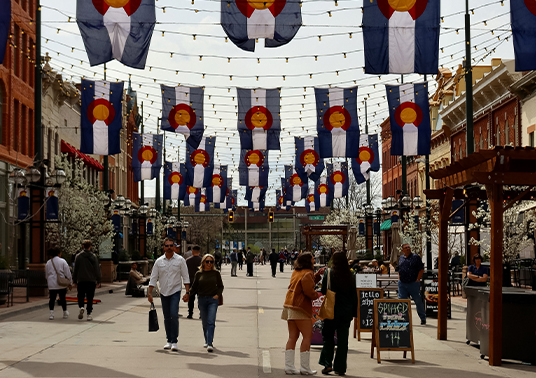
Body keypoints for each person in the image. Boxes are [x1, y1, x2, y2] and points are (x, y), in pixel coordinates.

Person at [318, 252, 357, 376]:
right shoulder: (351, 274)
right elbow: (354, 295)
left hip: (331, 309)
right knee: (343, 340)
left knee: (328, 337)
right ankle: (340, 367)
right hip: (346, 311)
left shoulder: (328, 273)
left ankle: (327, 363)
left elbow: (324, 290)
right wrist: (354, 313)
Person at [148, 237, 190, 352]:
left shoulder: (180, 260)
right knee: (167, 317)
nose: (169, 248)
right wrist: (149, 293)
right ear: (164, 247)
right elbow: (153, 278)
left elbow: (186, 277)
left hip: (175, 291)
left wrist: (187, 292)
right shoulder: (159, 261)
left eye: (171, 245)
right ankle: (169, 340)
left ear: (174, 247)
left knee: (174, 314)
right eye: (167, 245)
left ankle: (174, 341)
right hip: (163, 292)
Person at [282, 252, 319, 375]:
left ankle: (289, 366)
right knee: (307, 337)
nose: (314, 260)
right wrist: (316, 294)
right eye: (313, 258)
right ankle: (305, 367)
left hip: (290, 305)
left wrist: (317, 275)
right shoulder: (308, 273)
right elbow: (309, 291)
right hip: (301, 308)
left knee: (293, 337)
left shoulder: (296, 272)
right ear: (308, 261)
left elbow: (305, 283)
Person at [188, 254, 224, 352]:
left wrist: (218, 294)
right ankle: (207, 339)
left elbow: (220, 286)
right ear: (203, 262)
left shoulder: (216, 273)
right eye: (207, 261)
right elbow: (194, 287)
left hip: (213, 300)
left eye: (211, 262)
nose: (209, 264)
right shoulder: (198, 274)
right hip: (202, 299)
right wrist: (188, 294)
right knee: (204, 322)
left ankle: (210, 343)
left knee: (211, 321)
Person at [398, 243, 426, 325]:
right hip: (402, 284)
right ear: (403, 250)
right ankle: (403, 318)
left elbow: (421, 269)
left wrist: (418, 279)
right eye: (406, 248)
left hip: (413, 283)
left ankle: (423, 318)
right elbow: (399, 269)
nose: (408, 249)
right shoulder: (401, 258)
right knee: (402, 301)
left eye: (409, 247)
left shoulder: (415, 257)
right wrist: (399, 278)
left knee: (418, 301)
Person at [73, 240, 101, 321]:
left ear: (83, 246)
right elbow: (97, 269)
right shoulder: (93, 257)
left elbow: (76, 269)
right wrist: (98, 280)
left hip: (81, 280)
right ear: (90, 246)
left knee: (80, 295)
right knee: (90, 297)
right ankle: (89, 314)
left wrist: (74, 280)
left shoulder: (78, 256)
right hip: (91, 280)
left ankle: (81, 306)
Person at [45, 248, 72, 320]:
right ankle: (65, 312)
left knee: (52, 298)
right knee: (62, 298)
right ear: (58, 254)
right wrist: (70, 282)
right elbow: (67, 272)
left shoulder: (48, 262)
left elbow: (47, 274)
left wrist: (49, 282)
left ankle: (51, 313)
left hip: (51, 284)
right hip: (61, 283)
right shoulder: (62, 261)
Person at [186, 246, 203, 319]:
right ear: (199, 251)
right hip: (201, 283)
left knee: (191, 299)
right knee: (201, 299)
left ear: (192, 251)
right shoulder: (202, 260)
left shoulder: (188, 261)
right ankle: (201, 314)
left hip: (191, 282)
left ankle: (190, 313)